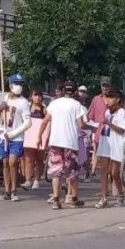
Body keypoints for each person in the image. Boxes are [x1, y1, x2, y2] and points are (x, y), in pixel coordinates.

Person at [38, 80, 91, 209]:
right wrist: (92, 128)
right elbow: (81, 124)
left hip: (55, 141)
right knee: (72, 172)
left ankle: (56, 200)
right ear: (74, 92)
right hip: (70, 142)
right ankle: (73, 197)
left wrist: (39, 136)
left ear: (63, 91)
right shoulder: (76, 105)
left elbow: (45, 121)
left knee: (56, 171)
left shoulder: (54, 104)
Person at [0, 74, 31, 202]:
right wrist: (0, 108)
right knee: (5, 162)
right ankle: (7, 190)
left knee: (12, 162)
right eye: (16, 84)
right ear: (10, 85)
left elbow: (27, 122)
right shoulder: (4, 98)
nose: (18, 87)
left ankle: (14, 190)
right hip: (2, 135)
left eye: (20, 84)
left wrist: (13, 134)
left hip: (16, 137)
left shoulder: (24, 102)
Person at [95, 87, 125, 208]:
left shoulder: (122, 112)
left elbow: (121, 130)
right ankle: (104, 197)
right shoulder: (107, 112)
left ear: (117, 99)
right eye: (106, 97)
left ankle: (120, 194)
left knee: (114, 173)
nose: (107, 100)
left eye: (110, 97)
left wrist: (109, 123)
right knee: (103, 171)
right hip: (105, 142)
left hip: (116, 144)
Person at [87, 77, 111, 181]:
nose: (105, 88)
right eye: (103, 85)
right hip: (98, 131)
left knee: (108, 154)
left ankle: (109, 174)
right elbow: (90, 116)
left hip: (111, 132)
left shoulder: (114, 99)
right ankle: (93, 171)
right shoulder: (96, 99)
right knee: (96, 151)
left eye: (107, 86)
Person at [22, 89, 46, 191]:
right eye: (35, 95)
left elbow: (48, 124)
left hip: (40, 137)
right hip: (29, 137)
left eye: (39, 95)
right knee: (28, 159)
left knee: (39, 159)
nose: (38, 97)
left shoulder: (44, 109)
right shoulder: (27, 108)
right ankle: (28, 180)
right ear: (31, 97)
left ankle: (36, 180)